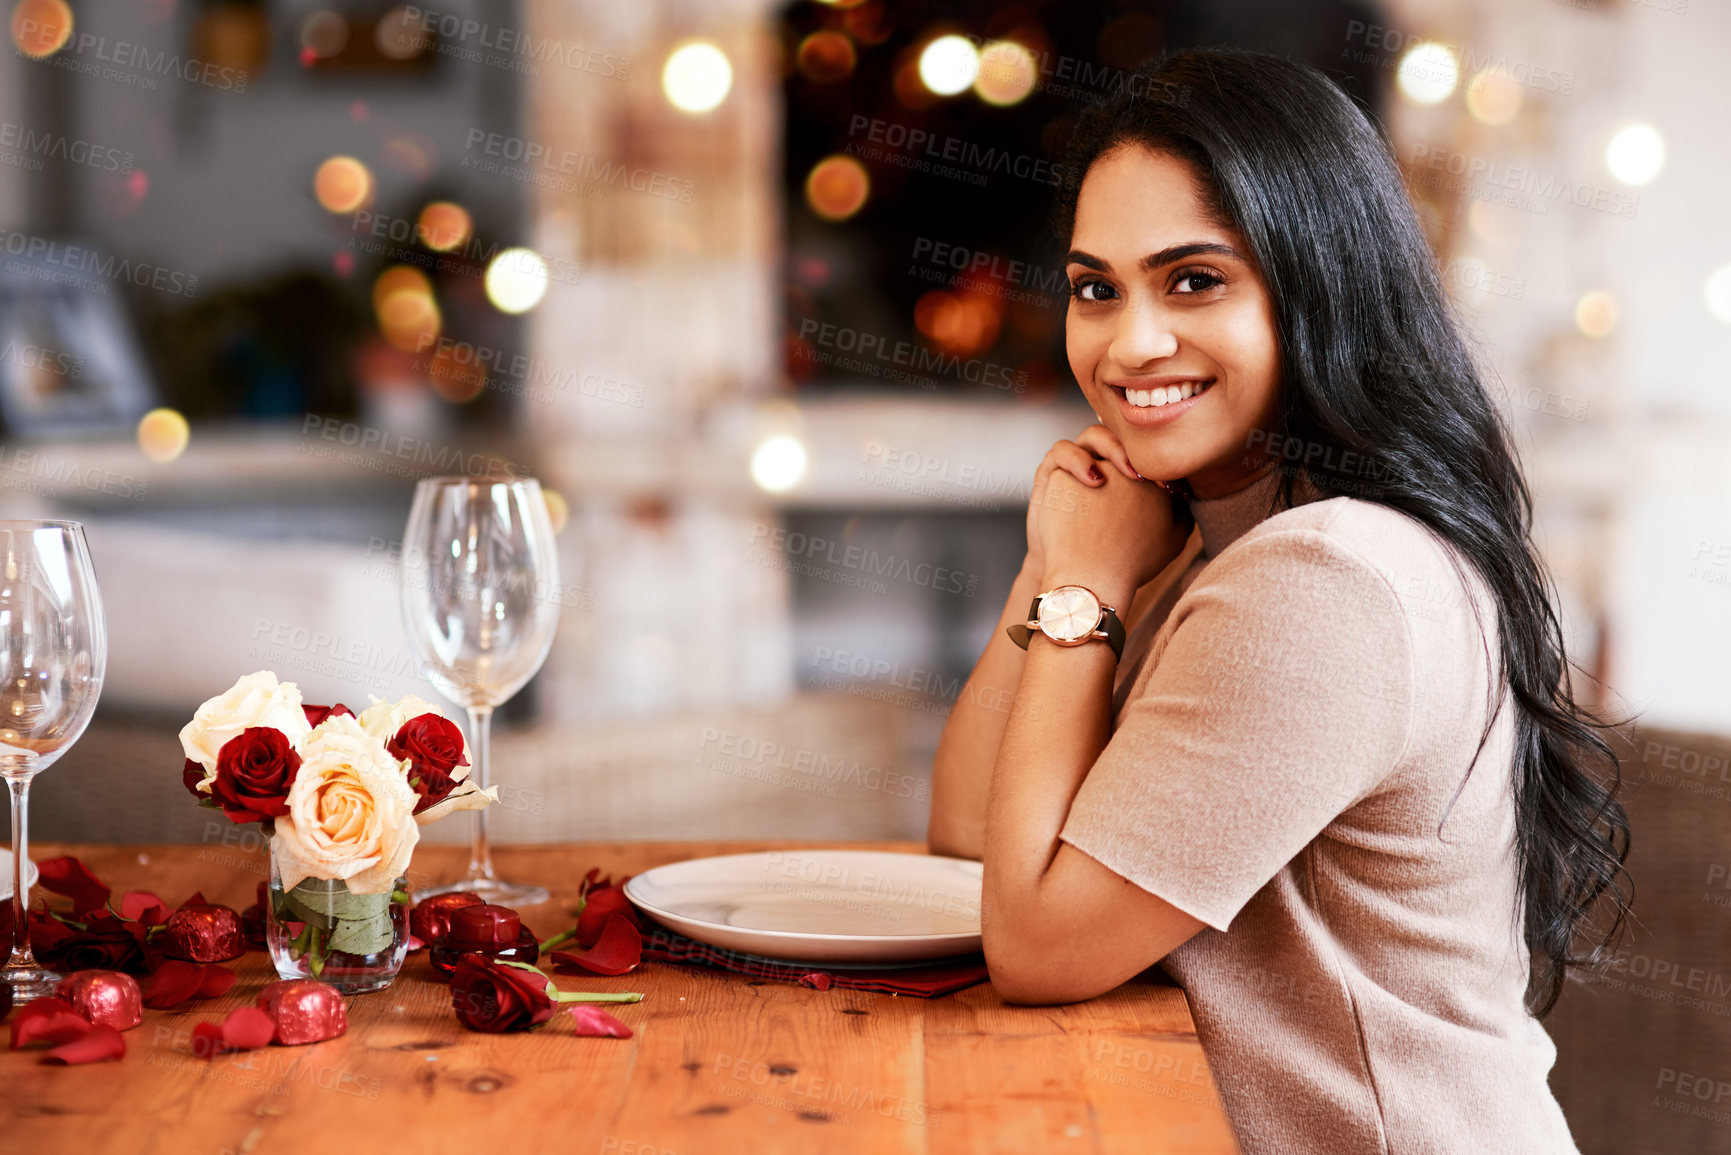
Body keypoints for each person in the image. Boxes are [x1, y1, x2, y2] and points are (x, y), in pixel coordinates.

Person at [926, 47, 1631, 1155]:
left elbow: (1037, 947)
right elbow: (972, 840)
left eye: (1194, 280)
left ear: (1318, 283)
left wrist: (1081, 586)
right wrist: (1059, 562)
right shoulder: (1207, 538)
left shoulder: (1326, 581)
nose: (1128, 343)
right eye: (1095, 288)